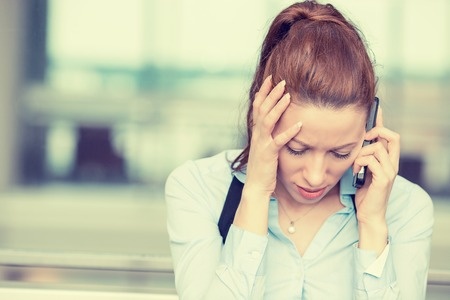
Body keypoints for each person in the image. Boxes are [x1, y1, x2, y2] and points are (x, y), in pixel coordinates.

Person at [165, 1, 434, 299]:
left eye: (340, 153)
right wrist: (254, 194)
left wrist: (371, 227)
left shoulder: (406, 209)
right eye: (296, 149)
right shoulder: (197, 189)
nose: (316, 176)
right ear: (262, 114)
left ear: (368, 131)